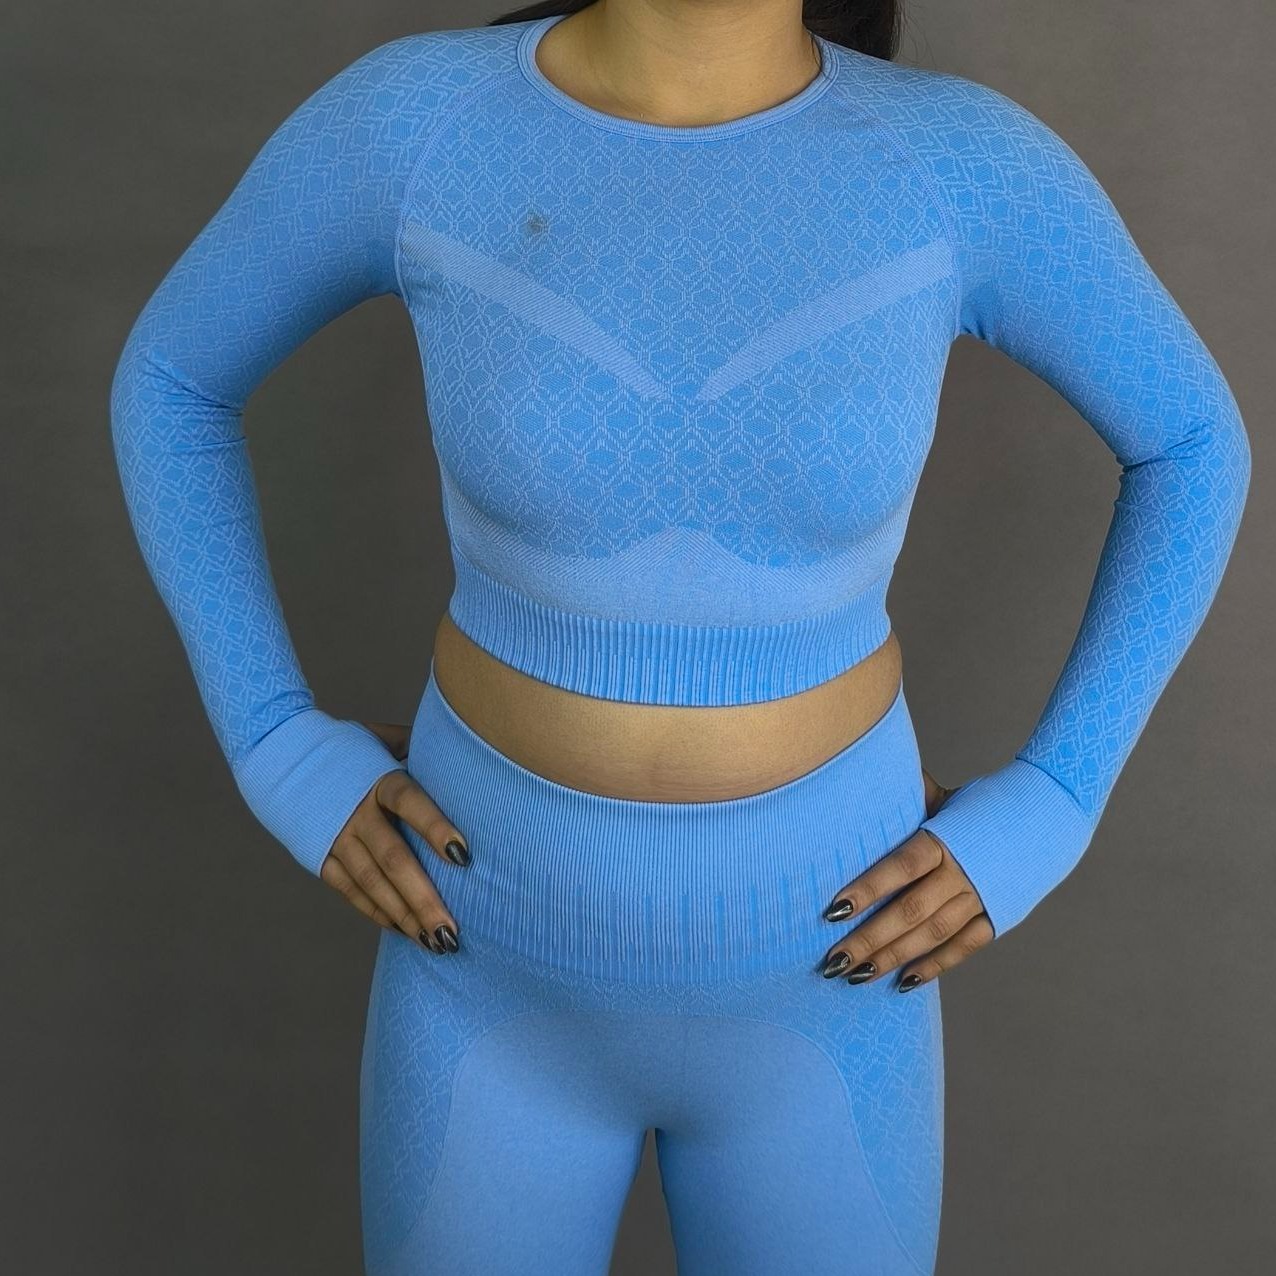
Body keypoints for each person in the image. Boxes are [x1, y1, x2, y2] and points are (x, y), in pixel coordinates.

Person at [108, 3, 1251, 1273]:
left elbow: (1192, 442)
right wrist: (274, 743)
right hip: (485, 973)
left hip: (829, 988)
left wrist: (1056, 801)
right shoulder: (417, 124)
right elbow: (172, 381)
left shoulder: (957, 165)